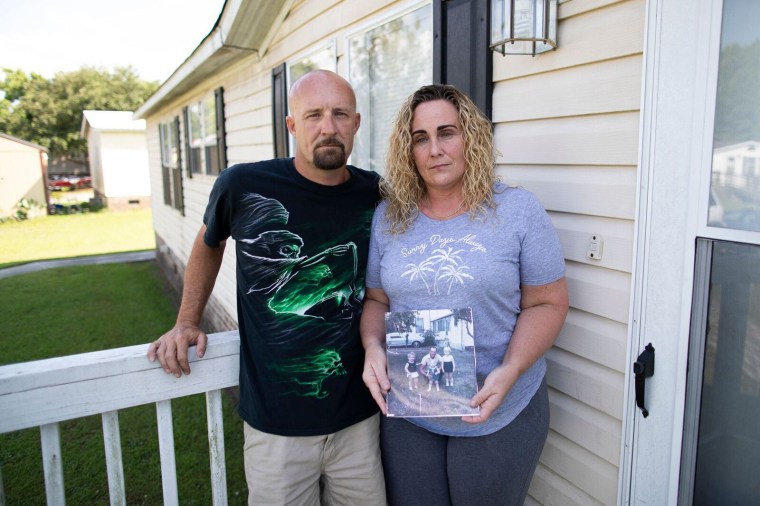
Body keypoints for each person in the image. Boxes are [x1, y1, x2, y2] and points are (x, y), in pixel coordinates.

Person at [147, 69, 386, 506]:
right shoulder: (243, 185)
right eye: (313, 115)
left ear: (356, 123)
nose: (328, 127)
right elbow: (208, 243)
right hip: (275, 427)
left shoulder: (377, 193)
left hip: (359, 419)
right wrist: (186, 321)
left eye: (339, 114)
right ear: (292, 126)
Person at [360, 84, 568, 506]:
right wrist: (370, 346)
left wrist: (511, 368)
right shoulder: (389, 217)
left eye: (447, 132)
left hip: (497, 412)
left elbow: (548, 301)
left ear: (470, 137)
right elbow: (378, 300)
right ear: (409, 150)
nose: (435, 148)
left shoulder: (517, 210)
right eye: (421, 138)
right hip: (411, 411)